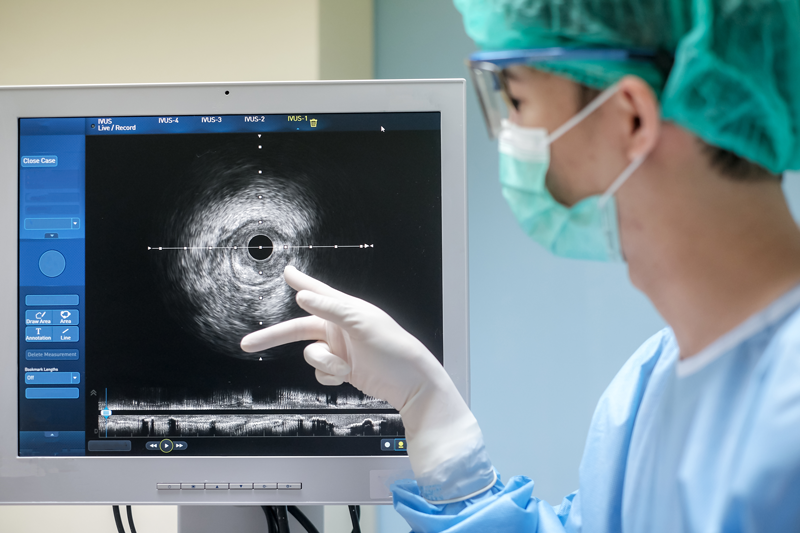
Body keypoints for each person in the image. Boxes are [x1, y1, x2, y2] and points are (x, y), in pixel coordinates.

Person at [241, 0, 800, 530]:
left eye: (517, 100)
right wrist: (431, 414)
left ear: (630, 118)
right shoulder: (652, 386)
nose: (509, 134)